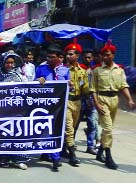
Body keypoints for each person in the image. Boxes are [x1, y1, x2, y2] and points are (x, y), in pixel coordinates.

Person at [90, 40, 135, 170]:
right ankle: (108, 157)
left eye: (108, 55)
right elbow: (93, 89)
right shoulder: (97, 70)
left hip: (114, 100)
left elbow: (123, 86)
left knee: (107, 129)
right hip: (102, 100)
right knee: (108, 129)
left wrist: (129, 100)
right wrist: (97, 104)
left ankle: (99, 153)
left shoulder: (119, 70)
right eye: (103, 55)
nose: (105, 57)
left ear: (113, 55)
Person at [0, 53, 30, 170]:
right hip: (2, 111)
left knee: (17, 133)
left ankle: (18, 159)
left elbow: (27, 89)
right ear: (3, 63)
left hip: (16, 110)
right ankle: (3, 159)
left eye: (12, 63)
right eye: (7, 63)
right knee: (4, 134)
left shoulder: (19, 76)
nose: (10, 65)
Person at [36, 44, 69, 172]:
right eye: (48, 57)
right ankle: (55, 158)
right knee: (46, 129)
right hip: (45, 105)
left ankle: (50, 154)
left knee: (57, 129)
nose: (49, 59)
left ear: (58, 58)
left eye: (52, 57)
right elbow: (33, 85)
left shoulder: (65, 70)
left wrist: (69, 85)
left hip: (59, 106)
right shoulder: (41, 69)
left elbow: (67, 88)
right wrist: (39, 81)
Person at [63, 39, 89, 167]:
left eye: (71, 54)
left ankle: (64, 148)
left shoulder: (82, 71)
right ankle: (73, 155)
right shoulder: (62, 70)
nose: (68, 56)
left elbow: (85, 88)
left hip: (78, 102)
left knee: (73, 127)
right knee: (69, 128)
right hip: (66, 101)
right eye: (67, 54)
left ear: (77, 56)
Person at [77, 49, 100, 155]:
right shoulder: (79, 69)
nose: (87, 59)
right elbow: (79, 84)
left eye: (89, 57)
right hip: (80, 100)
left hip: (92, 101)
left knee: (92, 124)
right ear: (82, 57)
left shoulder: (95, 70)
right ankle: (69, 145)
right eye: (85, 57)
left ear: (92, 58)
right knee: (75, 124)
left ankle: (90, 146)